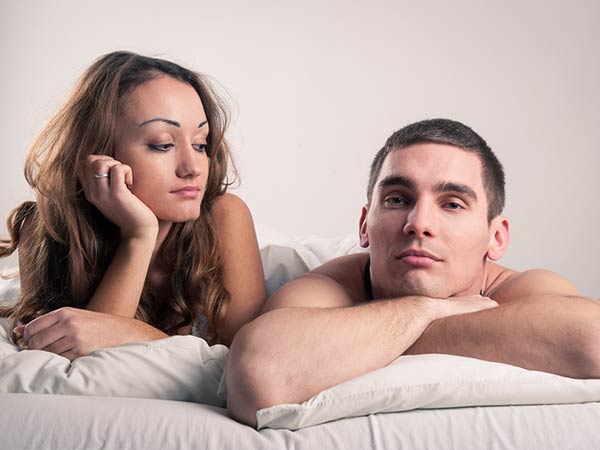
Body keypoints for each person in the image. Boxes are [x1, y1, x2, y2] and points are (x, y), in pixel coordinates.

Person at [225, 118, 599, 426]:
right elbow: (259, 375)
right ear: (363, 226)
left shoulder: (519, 287)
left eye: (452, 204)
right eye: (397, 199)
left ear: (496, 237)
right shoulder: (332, 284)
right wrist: (426, 309)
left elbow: (593, 338)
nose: (419, 223)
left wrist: (386, 335)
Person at [0, 51, 266, 360]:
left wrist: (134, 334)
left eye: (200, 144)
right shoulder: (45, 228)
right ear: (99, 151)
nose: (193, 167)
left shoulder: (225, 217)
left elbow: (247, 363)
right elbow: (81, 367)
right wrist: (139, 236)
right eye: (163, 144)